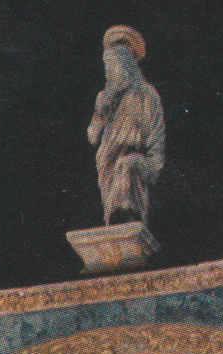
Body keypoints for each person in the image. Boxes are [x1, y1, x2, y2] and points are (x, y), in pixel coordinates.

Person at [87, 26, 165, 227]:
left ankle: (128, 215)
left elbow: (156, 140)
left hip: (134, 162)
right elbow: (92, 137)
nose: (110, 71)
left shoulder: (146, 95)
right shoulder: (104, 98)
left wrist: (151, 165)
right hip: (108, 162)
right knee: (112, 212)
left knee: (127, 167)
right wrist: (100, 113)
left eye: (114, 64)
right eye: (107, 66)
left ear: (127, 64)